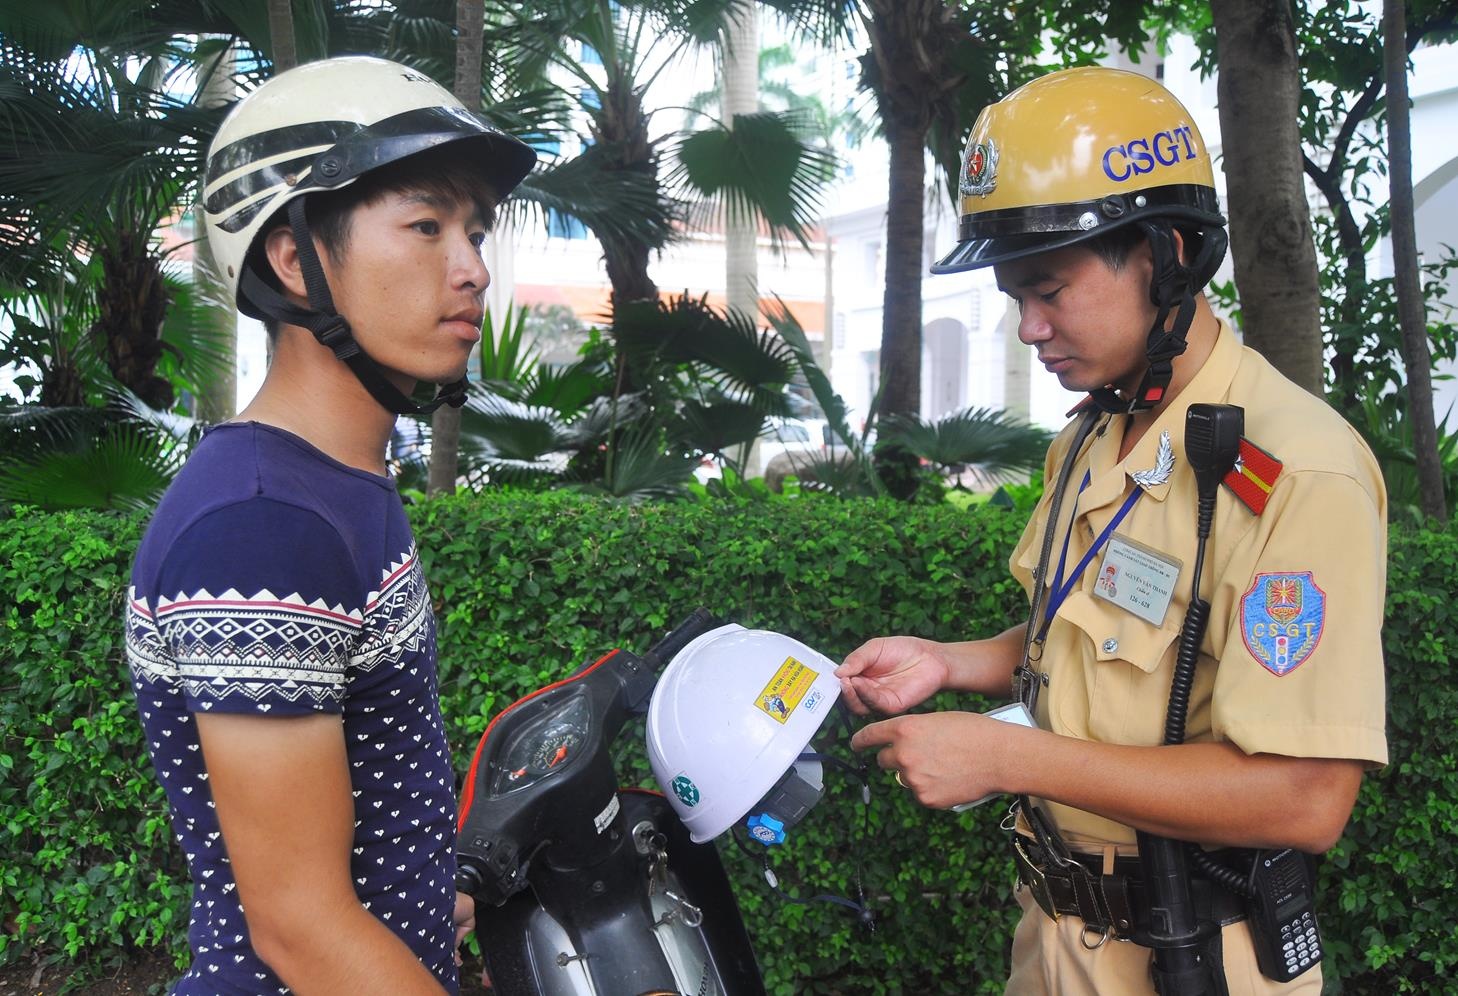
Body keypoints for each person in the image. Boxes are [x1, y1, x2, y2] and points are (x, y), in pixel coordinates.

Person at [837, 67, 1387, 994]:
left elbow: (1307, 796)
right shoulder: (1095, 432)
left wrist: (1005, 755)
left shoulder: (1299, 471)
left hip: (1196, 959)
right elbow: (1083, 634)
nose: (1028, 328)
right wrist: (949, 661)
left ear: (1168, 256)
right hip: (1054, 940)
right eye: (1015, 298)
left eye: (1050, 290)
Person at [124, 56, 536, 994]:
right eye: (427, 226)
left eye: (475, 232)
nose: (473, 269)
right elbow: (302, 929)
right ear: (293, 258)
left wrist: (422, 894)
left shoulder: (335, 484)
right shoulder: (263, 526)